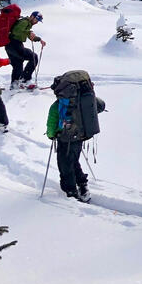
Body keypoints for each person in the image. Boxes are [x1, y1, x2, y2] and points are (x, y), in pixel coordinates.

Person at [45, 70, 104, 202]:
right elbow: (100, 105)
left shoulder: (57, 106)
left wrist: (51, 135)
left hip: (65, 138)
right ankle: (82, 184)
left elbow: (51, 124)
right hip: (81, 136)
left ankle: (71, 191)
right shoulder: (85, 99)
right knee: (73, 159)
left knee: (65, 164)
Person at [7, 10, 45, 88]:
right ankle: (25, 80)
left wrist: (39, 39)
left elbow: (27, 34)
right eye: (36, 20)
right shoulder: (24, 22)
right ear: (32, 16)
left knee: (18, 64)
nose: (36, 22)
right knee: (33, 57)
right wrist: (29, 33)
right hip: (14, 44)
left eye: (38, 21)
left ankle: (15, 84)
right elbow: (17, 31)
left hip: (11, 45)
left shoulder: (26, 23)